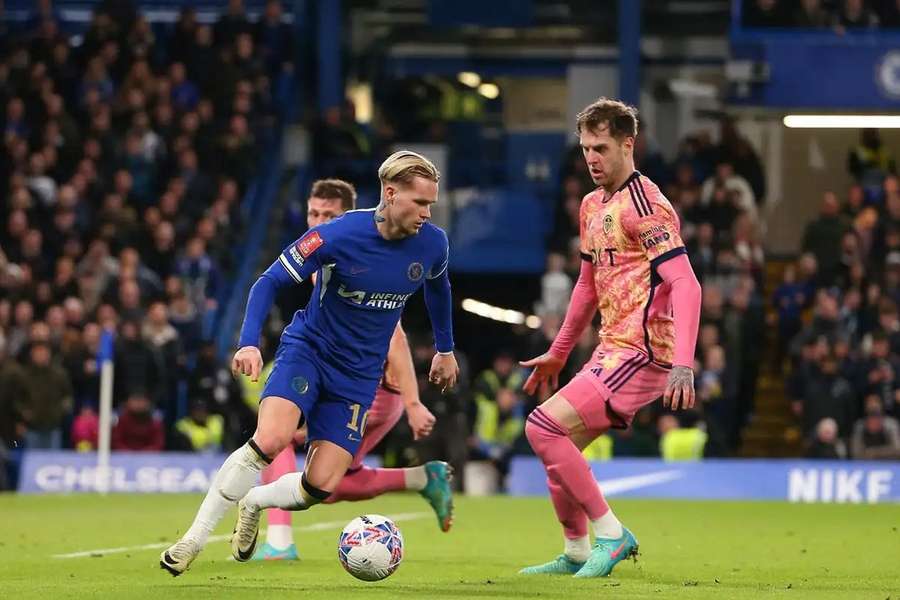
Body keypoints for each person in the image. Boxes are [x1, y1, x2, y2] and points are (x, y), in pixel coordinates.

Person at [160, 151, 459, 576]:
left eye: (431, 204)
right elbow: (269, 281)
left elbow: (439, 291)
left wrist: (445, 349)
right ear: (390, 194)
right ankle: (193, 539)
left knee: (321, 484)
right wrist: (247, 343)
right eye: (420, 203)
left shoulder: (433, 243)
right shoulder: (336, 236)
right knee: (272, 438)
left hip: (358, 377)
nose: (427, 214)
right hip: (310, 351)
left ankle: (255, 501)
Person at [518, 98, 701, 578]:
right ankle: (577, 551)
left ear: (628, 144)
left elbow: (686, 283)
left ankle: (612, 535)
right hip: (612, 347)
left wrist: (684, 362)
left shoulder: (647, 204)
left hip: (643, 351)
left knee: (542, 427)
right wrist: (558, 353)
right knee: (561, 447)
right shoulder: (591, 204)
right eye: (585, 149)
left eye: (600, 147)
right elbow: (586, 284)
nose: (591, 159)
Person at [252, 178, 454, 561]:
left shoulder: (355, 250)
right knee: (330, 483)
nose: (318, 221)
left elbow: (395, 334)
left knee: (282, 439)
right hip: (364, 386)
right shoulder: (323, 257)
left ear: (347, 216)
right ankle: (422, 477)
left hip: (371, 389)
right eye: (313, 212)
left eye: (328, 215)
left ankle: (279, 542)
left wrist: (412, 402)